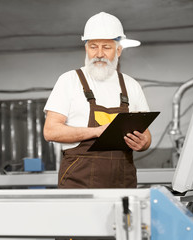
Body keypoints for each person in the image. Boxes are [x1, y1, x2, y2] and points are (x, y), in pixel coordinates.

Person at [43, 12, 151, 189]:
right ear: (86, 48)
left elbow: (146, 135)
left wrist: (143, 143)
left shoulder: (131, 85)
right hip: (79, 183)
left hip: (122, 182)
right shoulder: (69, 81)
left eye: (106, 47)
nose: (99, 54)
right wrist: (97, 132)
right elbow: (51, 131)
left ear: (118, 50)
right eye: (93, 47)